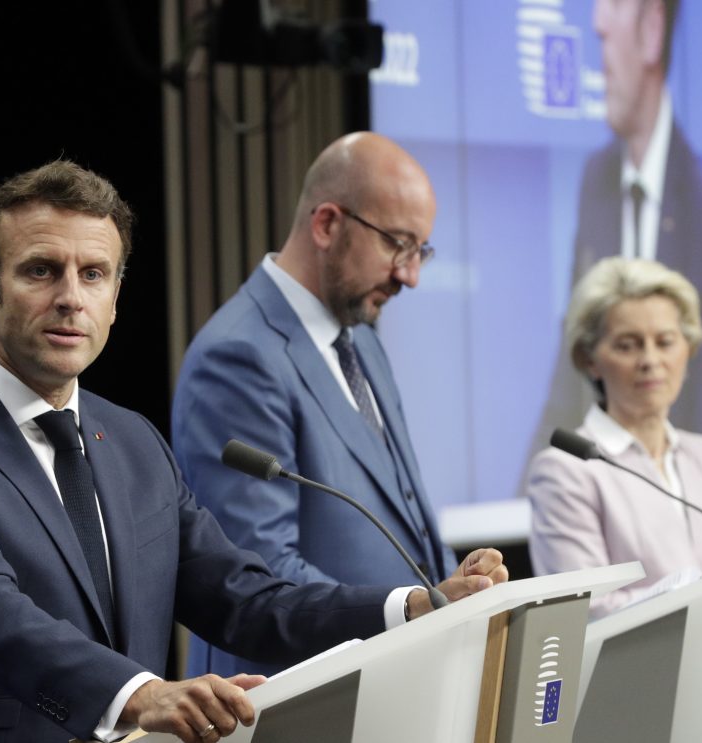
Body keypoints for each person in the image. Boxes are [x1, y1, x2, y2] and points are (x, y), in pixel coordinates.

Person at [0, 160, 507, 743]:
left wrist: (413, 605)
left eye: (94, 274)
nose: (71, 298)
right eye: (41, 271)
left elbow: (244, 599)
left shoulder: (134, 441)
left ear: (115, 299)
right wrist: (142, 694)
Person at [171, 132, 506, 678]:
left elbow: (402, 510)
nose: (410, 275)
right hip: (297, 696)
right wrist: (411, 609)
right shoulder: (237, 357)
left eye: (421, 251)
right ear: (327, 224)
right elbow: (259, 578)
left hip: (396, 681)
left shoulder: (360, 337)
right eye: (398, 245)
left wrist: (455, 584)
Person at [529, 0, 702, 474]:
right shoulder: (596, 179)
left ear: (653, 29)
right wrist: (532, 479)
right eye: (628, 345)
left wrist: (696, 479)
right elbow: (568, 367)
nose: (598, 21)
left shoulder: (700, 200)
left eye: (615, 4)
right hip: (595, 469)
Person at [527, 257, 702, 618]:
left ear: (688, 349)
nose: (650, 360)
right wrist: (701, 601)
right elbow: (586, 611)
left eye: (665, 342)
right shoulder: (565, 471)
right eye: (627, 345)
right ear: (589, 358)